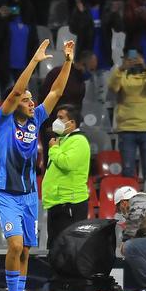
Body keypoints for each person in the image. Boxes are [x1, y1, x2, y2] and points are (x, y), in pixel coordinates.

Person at [0, 39, 74, 291]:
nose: (32, 102)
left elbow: (56, 91)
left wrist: (67, 62)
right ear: (15, 103)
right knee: (14, 245)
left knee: (26, 250)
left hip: (29, 196)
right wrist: (35, 61)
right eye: (27, 100)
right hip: (7, 194)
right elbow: (16, 91)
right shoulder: (3, 121)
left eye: (31, 99)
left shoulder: (35, 119)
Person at [108, 50, 146, 180]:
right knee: (128, 172)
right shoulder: (121, 73)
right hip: (126, 129)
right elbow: (113, 88)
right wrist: (122, 68)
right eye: (130, 59)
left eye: (137, 58)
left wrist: (145, 68)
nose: (134, 61)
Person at [42, 105, 91, 249]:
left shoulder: (79, 140)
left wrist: (54, 149)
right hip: (58, 202)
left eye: (61, 118)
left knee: (68, 250)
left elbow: (67, 163)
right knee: (55, 248)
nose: (56, 121)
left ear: (72, 123)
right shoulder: (63, 140)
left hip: (70, 202)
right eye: (56, 117)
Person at [38, 50, 97, 168]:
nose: (91, 73)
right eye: (91, 69)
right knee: (52, 162)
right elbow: (44, 99)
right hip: (51, 127)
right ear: (81, 64)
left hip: (69, 129)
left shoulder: (81, 82)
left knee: (67, 162)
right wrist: (48, 125)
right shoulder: (57, 74)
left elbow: (77, 108)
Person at [0, 0, 39, 99]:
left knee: (22, 104)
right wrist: (0, 18)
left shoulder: (29, 17)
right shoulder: (2, 17)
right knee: (7, 103)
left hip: (24, 70)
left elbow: (34, 42)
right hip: (6, 70)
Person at [69, 0, 123, 70]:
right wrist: (81, 13)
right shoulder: (81, 8)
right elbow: (73, 29)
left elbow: (119, 28)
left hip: (104, 56)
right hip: (86, 58)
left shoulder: (107, 8)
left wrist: (115, 13)